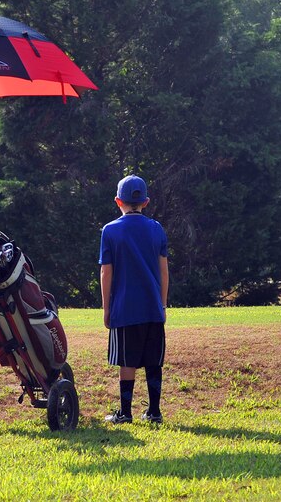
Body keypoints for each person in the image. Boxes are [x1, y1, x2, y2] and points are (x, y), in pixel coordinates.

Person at [99, 174, 169, 424]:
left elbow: (107, 272)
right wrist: (162, 304)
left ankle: (126, 412)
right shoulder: (157, 229)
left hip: (125, 307)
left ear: (118, 201)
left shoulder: (110, 231)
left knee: (127, 360)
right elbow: (163, 270)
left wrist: (107, 309)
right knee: (153, 360)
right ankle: (154, 411)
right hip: (153, 307)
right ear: (146, 202)